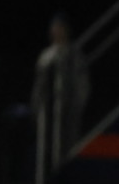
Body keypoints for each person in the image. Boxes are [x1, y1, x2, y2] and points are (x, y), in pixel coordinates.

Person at [30, 13, 90, 168]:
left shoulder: (74, 53)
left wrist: (78, 104)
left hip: (68, 107)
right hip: (48, 108)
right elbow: (39, 84)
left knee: (68, 146)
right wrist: (36, 104)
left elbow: (81, 82)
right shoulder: (46, 55)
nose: (56, 31)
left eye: (59, 28)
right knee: (47, 146)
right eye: (54, 28)